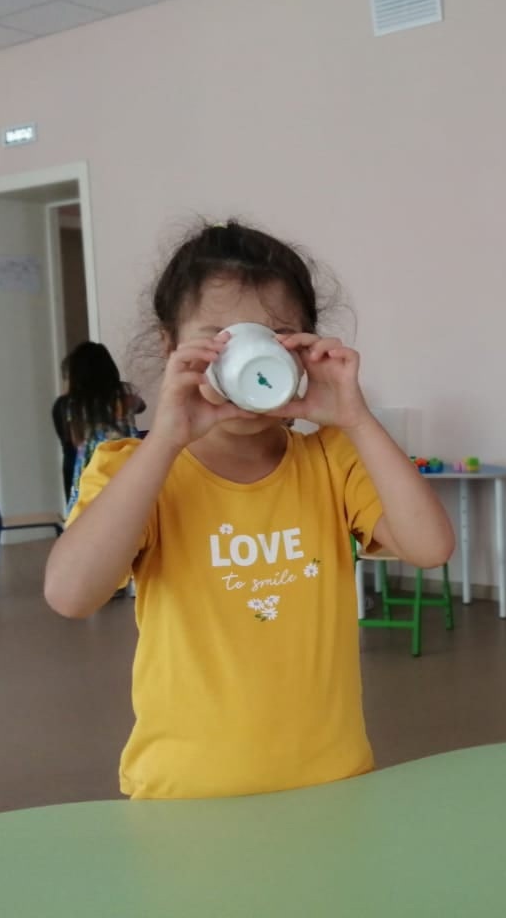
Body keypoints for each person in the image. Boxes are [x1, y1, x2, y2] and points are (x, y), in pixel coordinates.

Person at [43, 220, 453, 800]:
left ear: (305, 349)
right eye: (219, 338)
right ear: (169, 346)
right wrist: (166, 438)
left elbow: (431, 548)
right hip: (185, 796)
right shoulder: (136, 471)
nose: (248, 356)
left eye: (278, 335)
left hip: (330, 784)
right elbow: (70, 595)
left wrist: (356, 418)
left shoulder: (331, 459)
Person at [51, 342, 145, 506]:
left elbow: (75, 440)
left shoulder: (73, 405)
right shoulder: (123, 397)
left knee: (91, 506)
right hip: (125, 462)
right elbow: (141, 405)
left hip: (91, 466)